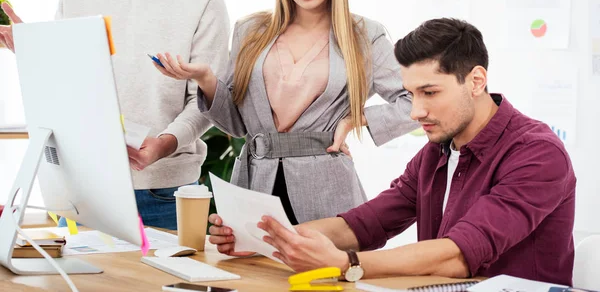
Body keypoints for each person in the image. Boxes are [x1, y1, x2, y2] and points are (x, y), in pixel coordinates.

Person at [208, 18, 576, 286]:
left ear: (476, 81)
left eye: (429, 93)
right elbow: (368, 223)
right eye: (411, 94)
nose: (415, 111)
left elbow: (458, 255)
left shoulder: (537, 155)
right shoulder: (438, 152)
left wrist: (345, 263)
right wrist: (269, 238)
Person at [153, 0, 417, 224]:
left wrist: (359, 119)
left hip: (329, 196)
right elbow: (237, 125)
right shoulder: (250, 31)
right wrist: (206, 79)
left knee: (325, 272)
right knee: (252, 271)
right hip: (254, 190)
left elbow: (417, 100)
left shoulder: (364, 36)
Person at [0, 0, 230, 230]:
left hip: (164, 194)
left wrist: (163, 145)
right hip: (86, 189)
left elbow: (205, 103)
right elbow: (69, 77)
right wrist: (35, 51)